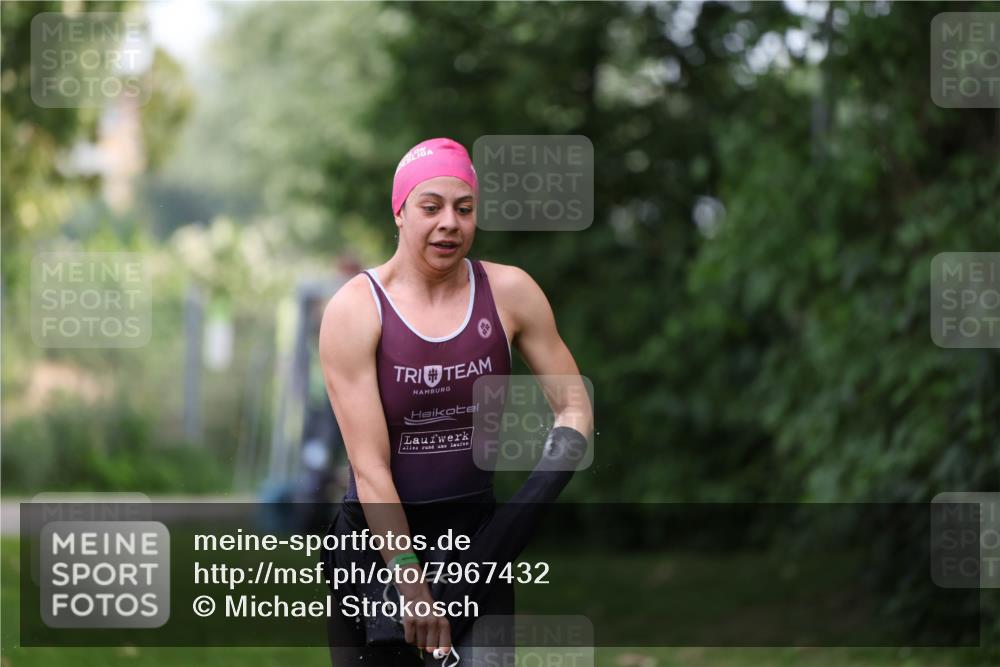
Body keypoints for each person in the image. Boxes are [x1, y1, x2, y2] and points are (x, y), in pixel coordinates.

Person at [318, 137, 592, 666]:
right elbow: (370, 468)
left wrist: (510, 529)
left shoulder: (510, 292)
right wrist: (411, 583)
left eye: (464, 209)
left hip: (477, 544)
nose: (450, 222)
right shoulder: (356, 309)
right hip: (376, 553)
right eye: (431, 207)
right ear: (400, 212)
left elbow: (575, 406)